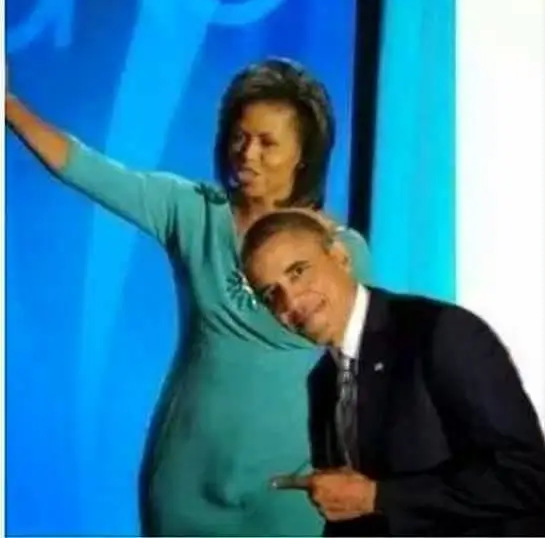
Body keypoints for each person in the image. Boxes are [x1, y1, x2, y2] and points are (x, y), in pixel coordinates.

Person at [5, 59, 372, 536]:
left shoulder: (342, 253)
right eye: (239, 137)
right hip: (185, 484)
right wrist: (8, 105)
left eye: (267, 143)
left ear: (304, 154)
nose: (247, 154)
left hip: (289, 494)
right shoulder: (191, 212)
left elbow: (369, 376)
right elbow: (88, 169)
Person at [241, 209, 545, 537]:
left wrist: (378, 497)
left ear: (340, 257)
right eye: (271, 294)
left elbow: (527, 477)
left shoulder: (441, 333)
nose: (290, 302)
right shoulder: (322, 381)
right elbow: (354, 519)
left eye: (298, 272)